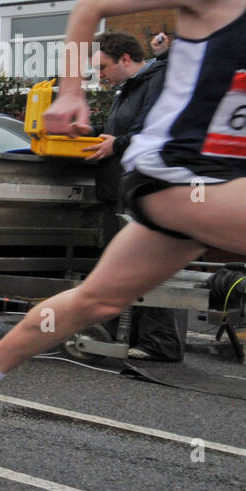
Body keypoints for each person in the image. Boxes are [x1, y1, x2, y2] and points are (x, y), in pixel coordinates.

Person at [0, 0, 246, 442]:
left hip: (223, 187)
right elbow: (92, 6)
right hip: (175, 173)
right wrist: (70, 92)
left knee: (97, 299)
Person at [82, 31, 182, 360]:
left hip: (147, 185)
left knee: (146, 262)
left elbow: (154, 130)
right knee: (126, 263)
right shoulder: (132, 86)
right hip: (126, 186)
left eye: (103, 67)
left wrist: (116, 144)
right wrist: (96, 134)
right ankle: (130, 336)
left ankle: (159, 342)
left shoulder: (155, 80)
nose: (101, 76)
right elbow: (127, 132)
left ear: (125, 59)